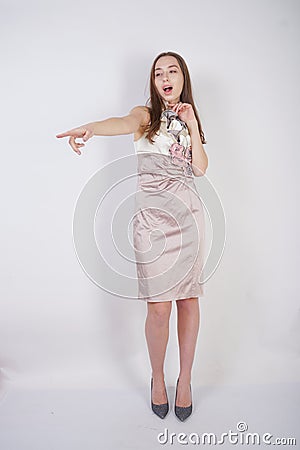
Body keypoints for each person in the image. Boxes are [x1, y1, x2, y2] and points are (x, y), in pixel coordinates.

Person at [56, 51, 208, 422]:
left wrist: (190, 126)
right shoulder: (145, 116)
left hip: (188, 218)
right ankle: (157, 377)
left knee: (188, 300)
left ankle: (184, 379)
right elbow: (119, 123)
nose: (166, 77)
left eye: (173, 71)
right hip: (152, 224)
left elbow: (201, 169)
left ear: (183, 77)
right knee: (158, 307)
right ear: (154, 83)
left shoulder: (189, 118)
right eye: (159, 73)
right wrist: (90, 127)